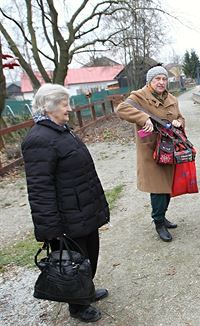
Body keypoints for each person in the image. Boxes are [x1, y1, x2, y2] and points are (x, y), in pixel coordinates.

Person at [21, 84, 110, 322]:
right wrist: (51, 229)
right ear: (49, 108)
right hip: (67, 218)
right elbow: (40, 189)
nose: (69, 108)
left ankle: (85, 291)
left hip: (82, 210)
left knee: (89, 256)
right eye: (64, 104)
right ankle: (78, 306)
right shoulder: (38, 139)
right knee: (73, 263)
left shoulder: (61, 130)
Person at [116, 66, 184, 242]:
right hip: (150, 151)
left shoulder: (172, 99)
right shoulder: (139, 96)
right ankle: (159, 223)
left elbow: (181, 117)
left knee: (167, 187)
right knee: (158, 188)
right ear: (150, 81)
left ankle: (162, 216)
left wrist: (178, 121)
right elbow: (121, 109)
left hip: (169, 149)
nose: (161, 82)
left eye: (164, 79)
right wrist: (143, 118)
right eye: (157, 79)